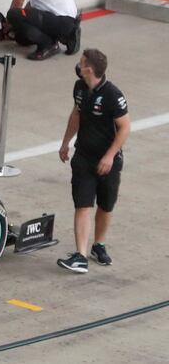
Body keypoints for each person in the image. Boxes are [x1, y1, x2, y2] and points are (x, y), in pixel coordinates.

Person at [57, 49, 130, 273]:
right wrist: (65, 142)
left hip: (108, 160)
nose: (78, 65)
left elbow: (125, 127)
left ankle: (98, 244)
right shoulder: (79, 88)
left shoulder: (112, 95)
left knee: (105, 206)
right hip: (84, 158)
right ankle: (80, 255)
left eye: (81, 63)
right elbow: (76, 115)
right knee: (83, 205)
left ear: (89, 68)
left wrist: (109, 156)